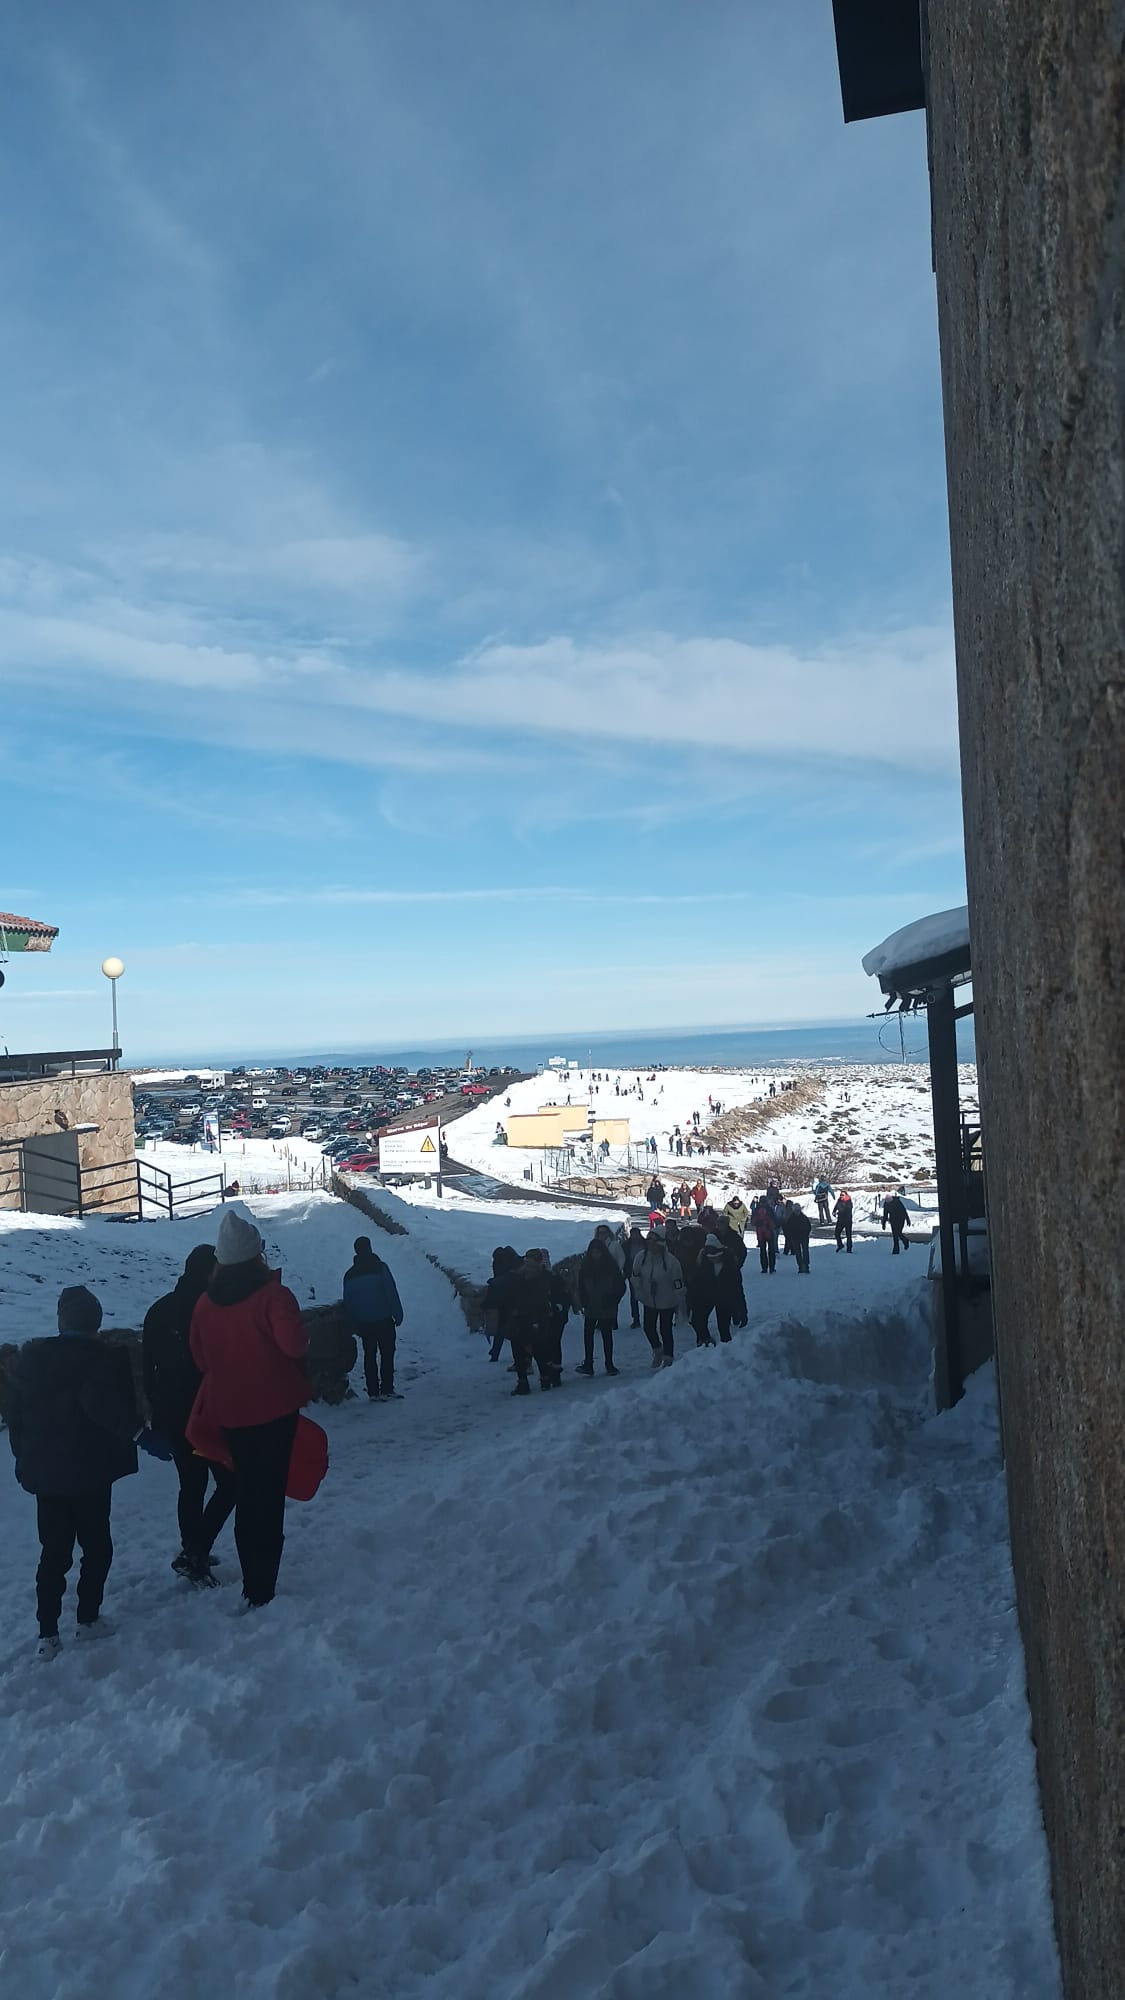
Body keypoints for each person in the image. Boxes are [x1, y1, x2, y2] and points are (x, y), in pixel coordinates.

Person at [8, 1285, 171, 1659]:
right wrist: (142, 1436)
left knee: (53, 1553)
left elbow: (15, 1416)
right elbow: (103, 1409)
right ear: (94, 1323)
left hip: (47, 1477)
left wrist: (25, 1457)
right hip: (89, 1474)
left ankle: (47, 1634)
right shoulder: (97, 1359)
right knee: (96, 1547)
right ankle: (87, 1618)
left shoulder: (31, 1360)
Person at [189, 1209, 310, 1609]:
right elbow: (294, 1346)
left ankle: (250, 1585)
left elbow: (201, 1359)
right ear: (257, 1255)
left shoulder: (205, 1305)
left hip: (231, 1412)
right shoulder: (274, 1297)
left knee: (245, 1492)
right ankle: (263, 1586)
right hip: (275, 1410)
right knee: (270, 1496)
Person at [143, 1244, 236, 1585]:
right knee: (230, 1482)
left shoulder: (159, 1309)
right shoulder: (211, 1309)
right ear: (208, 1271)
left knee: (191, 1484)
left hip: (173, 1414)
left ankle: (192, 1547)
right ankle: (195, 1550)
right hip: (207, 1414)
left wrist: (157, 1408)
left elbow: (146, 1366)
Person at [342, 1236, 405, 1399]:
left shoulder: (349, 1275)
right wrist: (397, 1314)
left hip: (365, 1323)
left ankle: (373, 1391)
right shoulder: (380, 1268)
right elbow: (391, 1292)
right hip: (384, 1319)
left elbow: (348, 1303)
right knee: (387, 1354)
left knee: (369, 1355)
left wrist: (354, 1324)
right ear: (370, 1248)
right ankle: (387, 1389)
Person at [629, 1224, 684, 1368]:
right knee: (648, 1327)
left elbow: (678, 1284)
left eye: (653, 1243)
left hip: (667, 1300)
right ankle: (657, 1350)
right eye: (649, 1242)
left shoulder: (672, 1262)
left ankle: (668, 1357)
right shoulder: (641, 1257)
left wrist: (680, 1304)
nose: (650, 1245)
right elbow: (635, 1276)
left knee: (665, 1329)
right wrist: (639, 1291)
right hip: (649, 1299)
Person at [507, 1249, 560, 1393]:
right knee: (519, 1351)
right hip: (520, 1318)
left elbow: (553, 1296)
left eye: (533, 1263)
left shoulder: (546, 1278)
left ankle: (545, 1378)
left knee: (539, 1350)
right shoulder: (518, 1277)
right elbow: (511, 1296)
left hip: (538, 1318)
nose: (530, 1267)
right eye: (528, 1263)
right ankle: (523, 1382)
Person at [577, 1236, 626, 1375]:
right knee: (588, 1335)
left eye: (598, 1252)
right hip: (591, 1306)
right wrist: (584, 1300)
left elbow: (620, 1287)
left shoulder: (611, 1267)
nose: (595, 1255)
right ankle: (588, 1363)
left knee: (606, 1335)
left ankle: (609, 1364)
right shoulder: (586, 1267)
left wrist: (612, 1300)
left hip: (606, 1306)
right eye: (593, 1252)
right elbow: (580, 1286)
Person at [483, 1245, 522, 1361]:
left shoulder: (499, 1262)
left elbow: (498, 1281)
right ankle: (521, 1358)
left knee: (502, 1326)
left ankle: (495, 1353)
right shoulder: (516, 1264)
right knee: (515, 1329)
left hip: (505, 1300)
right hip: (515, 1300)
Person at [623, 1225, 645, 1327]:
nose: (635, 1237)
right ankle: (636, 1318)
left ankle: (647, 1317)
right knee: (634, 1297)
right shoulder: (626, 1245)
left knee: (647, 1296)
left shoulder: (646, 1244)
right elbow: (623, 1259)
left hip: (645, 1272)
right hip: (632, 1273)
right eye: (633, 1235)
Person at [751, 1195, 778, 1275]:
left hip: (760, 1233)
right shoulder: (770, 1209)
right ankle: (772, 1268)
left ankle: (764, 1268)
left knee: (762, 1251)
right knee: (771, 1250)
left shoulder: (756, 1209)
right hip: (769, 1232)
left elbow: (753, 1221)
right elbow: (774, 1220)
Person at [784, 1201, 812, 1275]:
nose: (797, 1212)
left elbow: (809, 1227)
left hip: (803, 1237)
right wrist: (790, 1236)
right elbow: (787, 1228)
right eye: (796, 1210)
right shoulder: (792, 1219)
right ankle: (801, 1266)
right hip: (795, 1238)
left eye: (798, 1210)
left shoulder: (803, 1218)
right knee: (799, 1252)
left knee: (804, 1252)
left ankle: (805, 1266)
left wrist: (806, 1234)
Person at [834, 1189, 854, 1254]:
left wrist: (839, 1213)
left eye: (842, 1195)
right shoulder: (839, 1200)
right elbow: (836, 1206)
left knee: (848, 1235)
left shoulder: (849, 1202)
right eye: (840, 1195)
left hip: (847, 1220)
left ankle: (849, 1248)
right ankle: (840, 1245)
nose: (841, 1196)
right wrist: (834, 1211)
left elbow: (847, 1211)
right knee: (837, 1233)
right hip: (840, 1220)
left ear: (846, 1195)